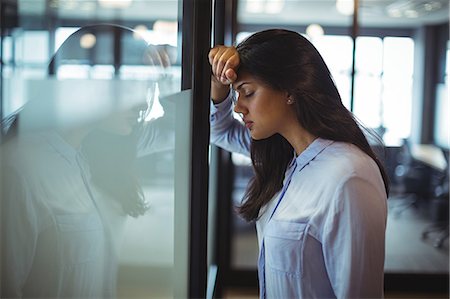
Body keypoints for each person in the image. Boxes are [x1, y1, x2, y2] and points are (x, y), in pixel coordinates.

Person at [209, 29, 389, 298]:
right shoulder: (285, 156)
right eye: (237, 95)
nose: (238, 107)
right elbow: (219, 131)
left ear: (289, 91)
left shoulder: (348, 177)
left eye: (247, 92)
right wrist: (219, 81)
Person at [1, 24, 174, 298]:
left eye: (146, 87)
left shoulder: (93, 147)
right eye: (132, 85)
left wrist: (165, 75)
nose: (142, 103)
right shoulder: (20, 169)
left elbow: (184, 128)